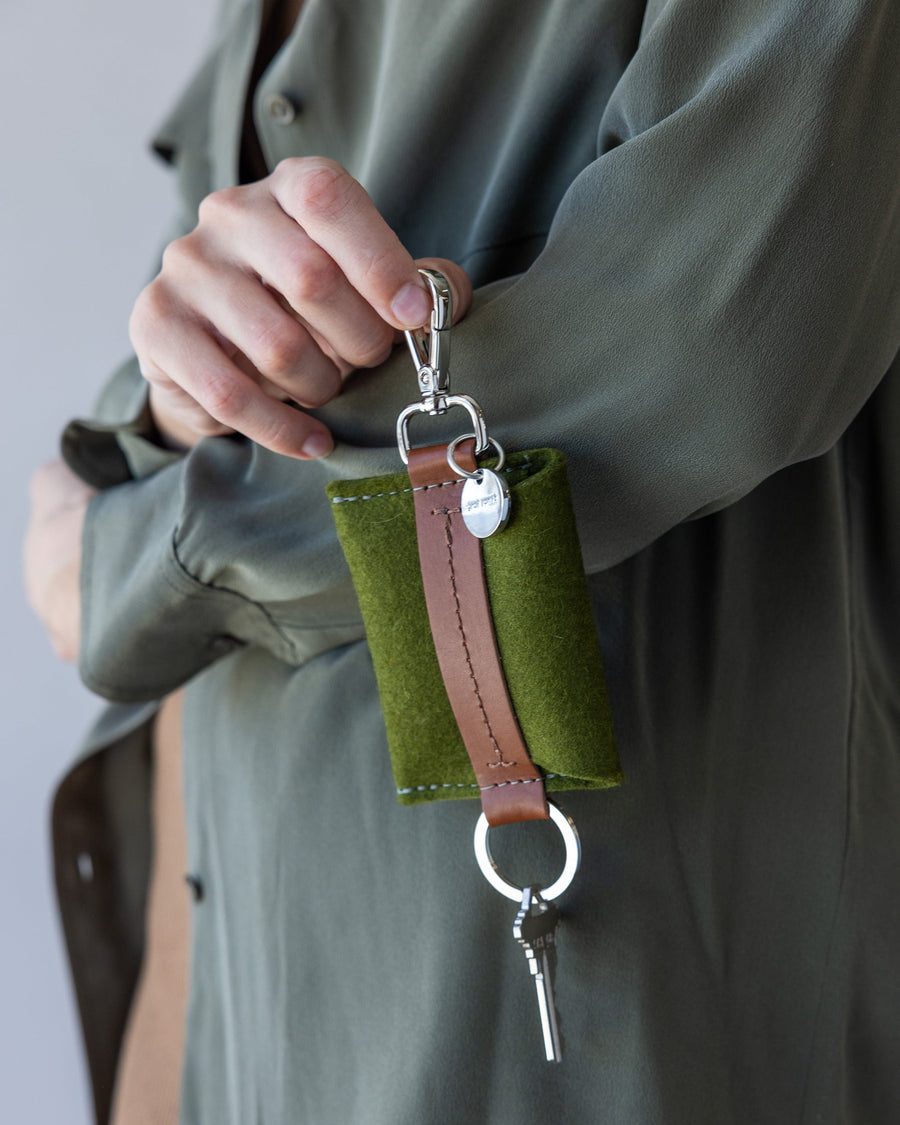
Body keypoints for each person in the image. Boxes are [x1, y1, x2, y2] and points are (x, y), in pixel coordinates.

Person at [24, 0, 900, 1122]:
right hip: (226, 982)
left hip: (576, 1012)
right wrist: (159, 411)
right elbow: (208, 339)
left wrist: (142, 558)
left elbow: (714, 338)